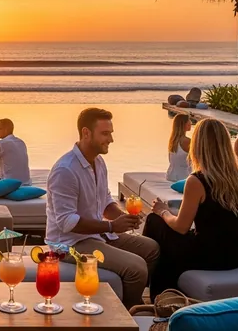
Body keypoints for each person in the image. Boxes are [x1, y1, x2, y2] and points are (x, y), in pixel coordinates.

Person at [46, 108, 159, 308]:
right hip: (70, 243)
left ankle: (133, 297)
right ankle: (128, 313)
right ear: (86, 133)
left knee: (151, 248)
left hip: (97, 235)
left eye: (111, 133)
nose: (111, 139)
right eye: (105, 134)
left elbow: (105, 201)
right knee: (137, 268)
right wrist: (110, 227)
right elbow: (66, 223)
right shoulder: (65, 170)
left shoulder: (99, 162)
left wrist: (123, 217)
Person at [143, 118, 238, 299]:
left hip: (207, 256)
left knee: (155, 221)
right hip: (235, 256)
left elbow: (181, 227)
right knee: (173, 238)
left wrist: (162, 211)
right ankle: (160, 288)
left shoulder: (197, 180)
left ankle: (156, 290)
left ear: (198, 145)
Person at [0, 119, 31, 185]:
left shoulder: (0, 144)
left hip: (9, 184)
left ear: (6, 130)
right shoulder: (21, 142)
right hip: (26, 182)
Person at [166, 114, 192, 182]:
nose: (191, 122)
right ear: (183, 124)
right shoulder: (187, 141)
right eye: (188, 121)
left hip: (170, 175)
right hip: (183, 178)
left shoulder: (173, 140)